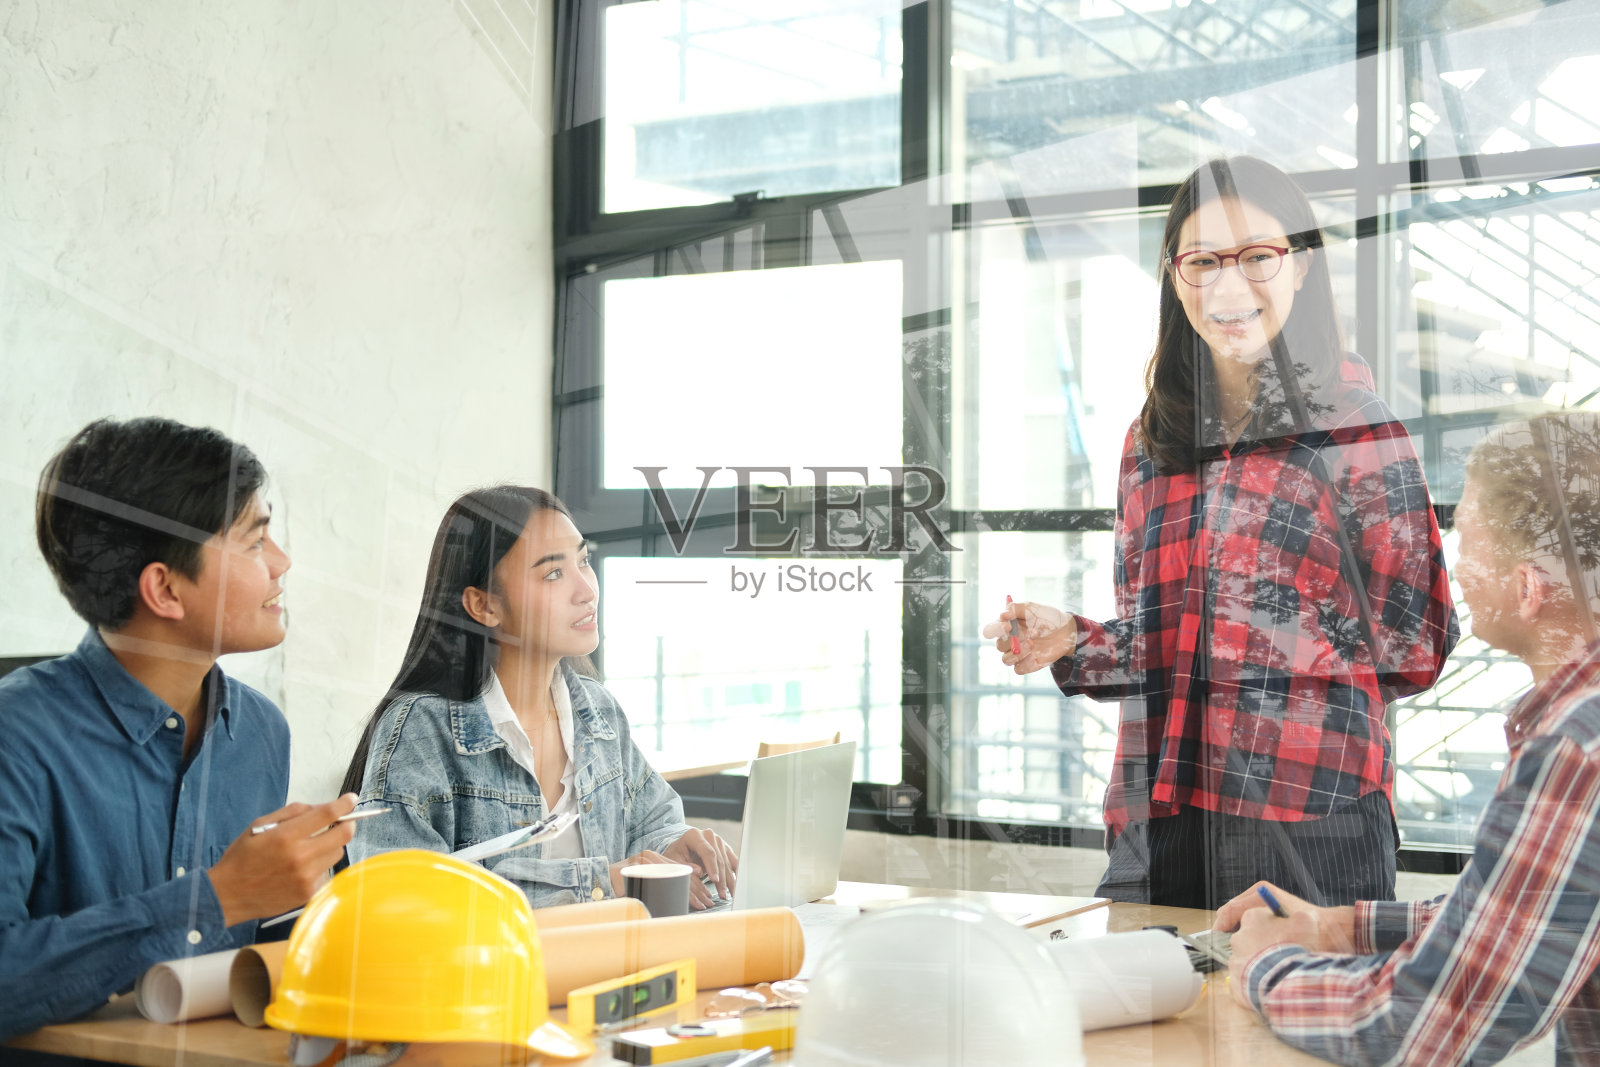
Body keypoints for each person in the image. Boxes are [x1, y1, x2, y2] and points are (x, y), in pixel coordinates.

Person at [986, 156, 1458, 909]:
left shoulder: (1358, 432)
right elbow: (1157, 644)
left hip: (1313, 814)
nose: (1228, 287)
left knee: (1288, 1027)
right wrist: (1071, 638)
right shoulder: (1153, 440)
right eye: (1202, 262)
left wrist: (1277, 665)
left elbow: (1421, 646)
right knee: (1130, 1017)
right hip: (1161, 808)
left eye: (1257, 258)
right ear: (1175, 277)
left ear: (1300, 266)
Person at [1218, 410, 1600, 1065]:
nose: (1454, 567)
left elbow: (1429, 1024)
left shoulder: (1578, 749)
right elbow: (1525, 909)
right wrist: (1339, 925)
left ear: (1528, 587)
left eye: (1468, 543)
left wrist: (1267, 965)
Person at [0, 417, 355, 1042]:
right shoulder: (18, 733)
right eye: (253, 541)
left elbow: (257, 948)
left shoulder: (260, 731)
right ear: (164, 589)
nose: (282, 562)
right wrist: (216, 899)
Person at [342, 485, 737, 909]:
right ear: (484, 606)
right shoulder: (422, 728)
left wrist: (674, 848)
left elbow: (653, 820)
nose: (586, 589)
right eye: (553, 573)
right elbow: (400, 897)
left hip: (601, 968)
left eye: (583, 561)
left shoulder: (597, 711)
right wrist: (605, 880)